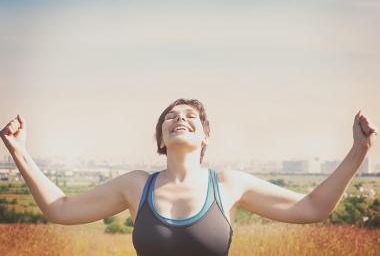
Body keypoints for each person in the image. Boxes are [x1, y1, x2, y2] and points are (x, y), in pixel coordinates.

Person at [0, 98, 378, 256]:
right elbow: (60, 208)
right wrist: (18, 150)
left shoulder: (228, 184)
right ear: (161, 138)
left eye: (190, 117)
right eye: (170, 117)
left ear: (204, 136)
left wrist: (358, 151)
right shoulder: (135, 185)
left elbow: (313, 207)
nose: (179, 118)